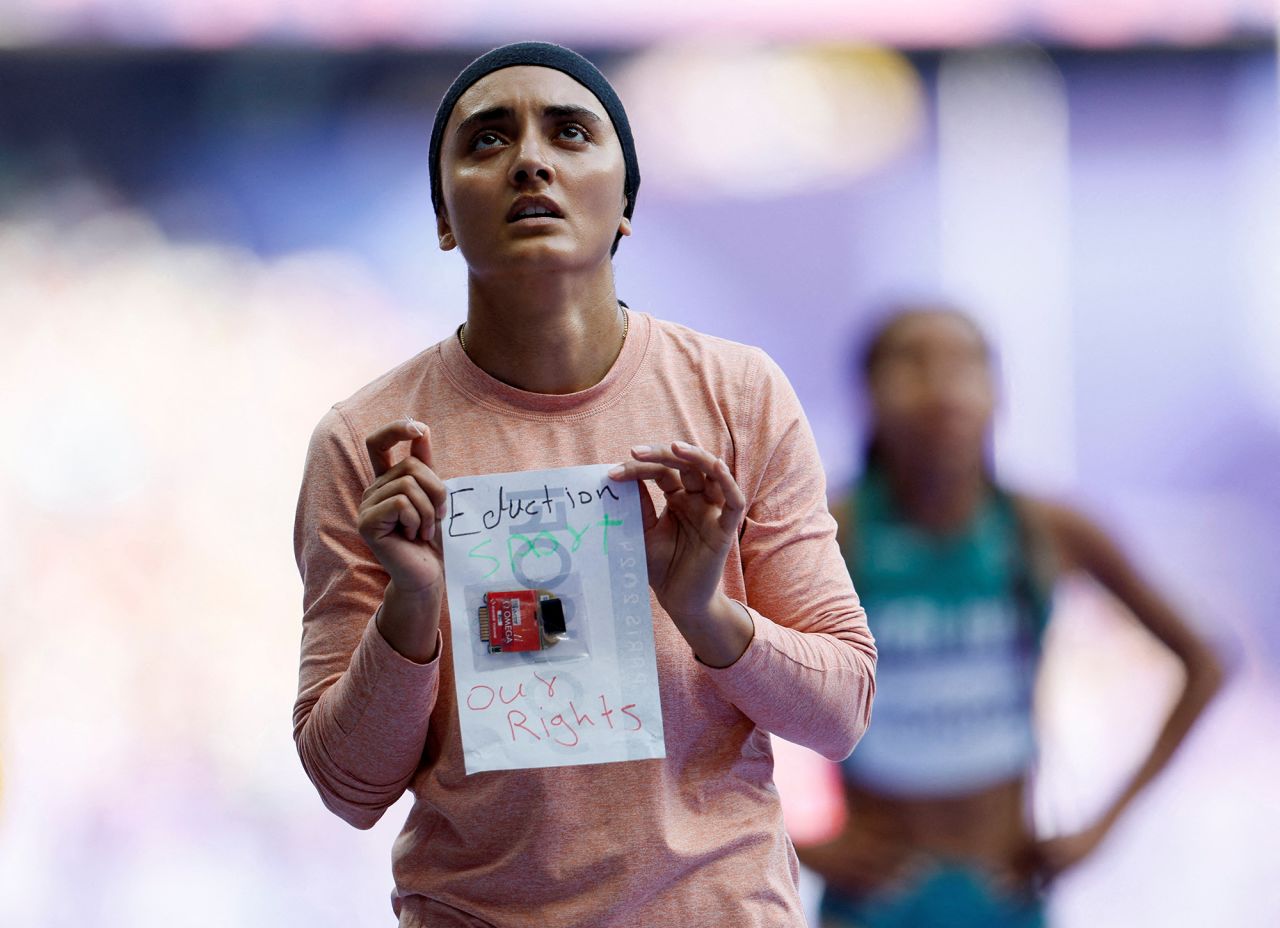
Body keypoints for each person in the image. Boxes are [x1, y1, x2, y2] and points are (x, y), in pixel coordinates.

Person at [291, 42, 876, 928]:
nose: (531, 159)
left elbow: (841, 712)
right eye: (486, 140)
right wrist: (409, 608)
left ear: (626, 207)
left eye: (569, 132)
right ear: (444, 218)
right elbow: (348, 786)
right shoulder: (365, 444)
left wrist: (706, 612)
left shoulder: (738, 395)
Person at [797, 306, 1224, 927]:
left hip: (1008, 894)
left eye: (965, 364)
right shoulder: (831, 532)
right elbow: (696, 679)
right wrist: (794, 841)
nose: (942, 384)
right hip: (873, 902)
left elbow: (1205, 664)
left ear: (998, 394)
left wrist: (1103, 827)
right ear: (869, 393)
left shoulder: (1046, 529)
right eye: (912, 362)